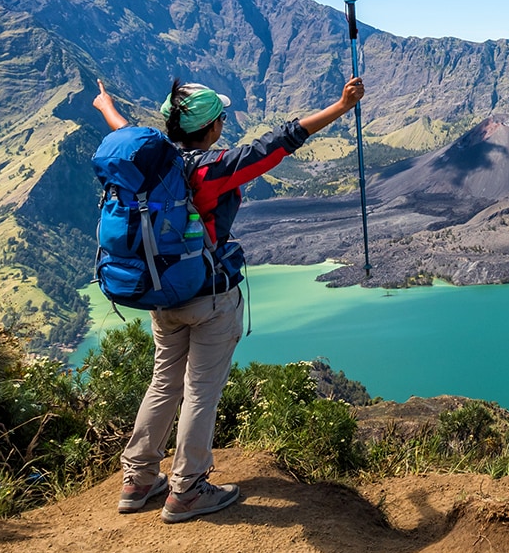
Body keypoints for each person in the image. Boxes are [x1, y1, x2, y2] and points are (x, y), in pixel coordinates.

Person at [92, 73, 365, 523]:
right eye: (220, 117)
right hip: (209, 297)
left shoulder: (153, 163)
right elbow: (279, 143)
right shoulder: (212, 168)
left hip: (162, 295)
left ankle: (138, 479)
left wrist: (105, 105)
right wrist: (341, 107)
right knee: (201, 389)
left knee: (164, 382)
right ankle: (188, 489)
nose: (223, 123)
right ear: (212, 126)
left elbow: (122, 130)